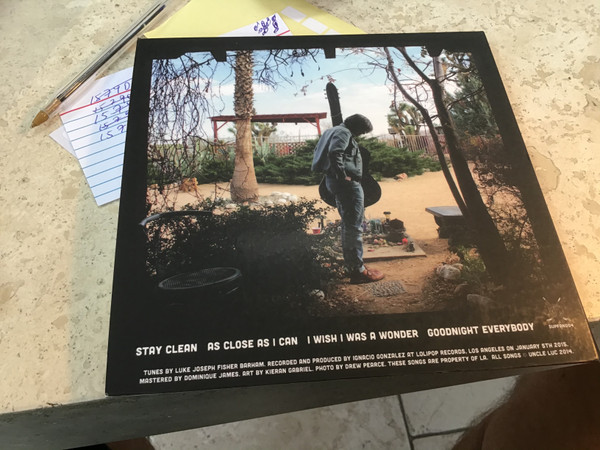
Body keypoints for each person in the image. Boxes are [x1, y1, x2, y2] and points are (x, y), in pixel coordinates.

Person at [312, 114, 384, 284]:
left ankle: (351, 266)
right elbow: (335, 152)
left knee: (348, 225)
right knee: (354, 227)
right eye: (362, 132)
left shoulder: (331, 131)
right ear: (357, 127)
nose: (360, 135)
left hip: (333, 181)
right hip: (346, 184)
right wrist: (343, 176)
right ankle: (358, 272)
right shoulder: (344, 132)